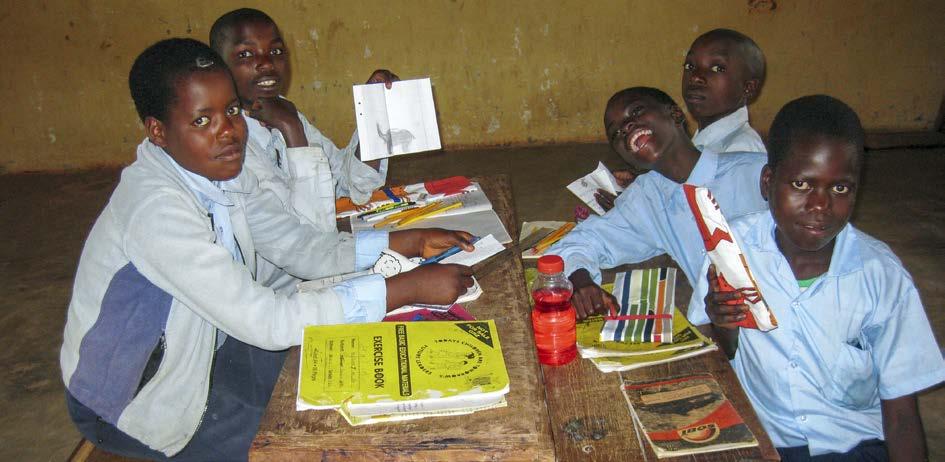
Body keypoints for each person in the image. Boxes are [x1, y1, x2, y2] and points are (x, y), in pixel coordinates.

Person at [60, 38, 474, 460]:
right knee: (312, 444)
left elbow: (298, 246)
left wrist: (405, 240)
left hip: (213, 345)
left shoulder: (221, 172)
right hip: (140, 398)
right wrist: (404, 289)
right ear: (158, 131)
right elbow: (266, 321)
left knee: (351, 379)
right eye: (202, 121)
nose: (228, 132)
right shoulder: (156, 211)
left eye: (231, 112)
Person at [689, 95, 945, 461]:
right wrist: (722, 322)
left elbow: (902, 414)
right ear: (767, 182)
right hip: (762, 437)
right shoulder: (731, 250)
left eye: (839, 188)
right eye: (801, 184)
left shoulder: (881, 276)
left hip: (853, 443)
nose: (820, 205)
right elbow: (715, 360)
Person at [549, 87, 767, 320]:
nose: (626, 127)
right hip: (731, 338)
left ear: (675, 114)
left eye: (637, 111)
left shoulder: (758, 172)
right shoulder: (649, 197)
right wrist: (581, 281)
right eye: (616, 133)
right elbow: (580, 243)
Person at [596, 29, 766, 212]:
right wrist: (643, 183)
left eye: (717, 68)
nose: (696, 77)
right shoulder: (702, 140)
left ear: (748, 88)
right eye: (689, 67)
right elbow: (685, 183)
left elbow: (708, 226)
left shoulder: (741, 152)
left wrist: (638, 212)